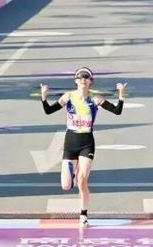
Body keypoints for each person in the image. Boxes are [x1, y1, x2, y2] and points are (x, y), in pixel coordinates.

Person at [40, 67, 128, 227]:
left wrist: (121, 94)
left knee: (82, 181)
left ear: (90, 81)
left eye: (86, 77)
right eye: (79, 77)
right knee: (66, 185)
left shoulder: (95, 99)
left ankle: (83, 215)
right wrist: (43, 96)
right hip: (70, 141)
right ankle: (72, 173)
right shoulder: (68, 97)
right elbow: (48, 111)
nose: (82, 80)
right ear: (75, 81)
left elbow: (117, 111)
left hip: (87, 142)